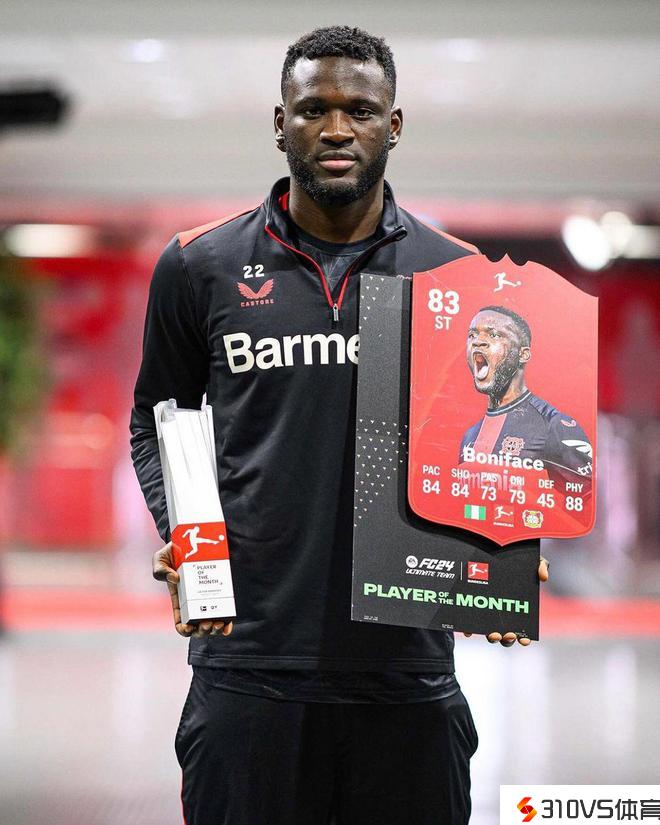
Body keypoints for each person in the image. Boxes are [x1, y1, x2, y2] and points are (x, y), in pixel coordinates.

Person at [130, 26, 549, 825]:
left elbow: (493, 430)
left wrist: (501, 545)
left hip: (406, 672)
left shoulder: (457, 275)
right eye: (312, 109)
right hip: (248, 664)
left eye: (359, 110)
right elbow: (157, 419)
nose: (334, 129)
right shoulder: (199, 264)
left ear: (394, 125)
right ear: (279, 122)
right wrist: (182, 530)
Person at [460, 305, 593, 495]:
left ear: (523, 354)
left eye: (494, 335)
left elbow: (586, 501)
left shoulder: (554, 426)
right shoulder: (470, 437)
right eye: (472, 335)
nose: (478, 342)